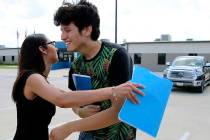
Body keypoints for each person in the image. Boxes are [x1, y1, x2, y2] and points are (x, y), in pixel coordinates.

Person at [12, 34, 143, 140]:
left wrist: (80, 111)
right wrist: (114, 90)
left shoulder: (41, 81)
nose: (57, 47)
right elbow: (62, 99)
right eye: (52, 43)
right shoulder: (32, 78)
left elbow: (70, 97)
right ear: (43, 49)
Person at [52, 0, 138, 139]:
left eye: (67, 30)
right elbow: (74, 101)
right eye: (61, 30)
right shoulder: (76, 64)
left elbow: (120, 112)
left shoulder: (116, 55)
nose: (62, 37)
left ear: (86, 29)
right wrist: (80, 112)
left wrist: (69, 127)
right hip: (88, 134)